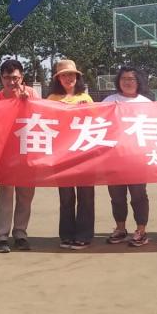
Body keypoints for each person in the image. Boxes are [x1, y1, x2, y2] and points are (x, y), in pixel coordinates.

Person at [46, 59, 96, 249]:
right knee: (66, 197)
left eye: (71, 75)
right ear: (58, 79)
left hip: (85, 153)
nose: (68, 78)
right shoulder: (52, 100)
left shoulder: (86, 98)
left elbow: (98, 122)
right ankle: (66, 235)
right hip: (62, 155)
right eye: (64, 75)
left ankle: (84, 235)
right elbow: (46, 123)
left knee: (86, 196)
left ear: (77, 77)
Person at [102, 66, 152, 247]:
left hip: (137, 159)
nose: (127, 82)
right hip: (114, 158)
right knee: (117, 196)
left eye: (131, 79)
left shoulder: (146, 103)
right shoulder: (109, 101)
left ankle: (141, 230)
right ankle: (120, 228)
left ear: (138, 82)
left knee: (139, 195)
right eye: (124, 78)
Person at [0, 59, 35, 253]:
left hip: (28, 152)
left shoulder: (32, 94)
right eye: (7, 78)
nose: (11, 82)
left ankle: (20, 233)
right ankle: (1, 235)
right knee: (5, 195)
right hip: (6, 155)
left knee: (26, 195)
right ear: (1, 78)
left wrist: (29, 103)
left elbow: (45, 117)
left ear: (22, 77)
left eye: (15, 78)